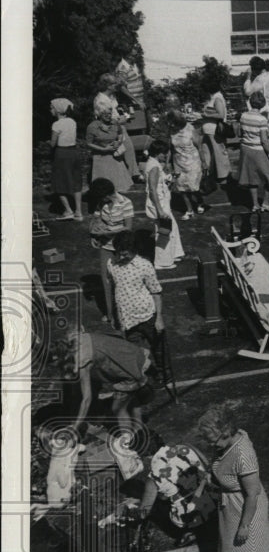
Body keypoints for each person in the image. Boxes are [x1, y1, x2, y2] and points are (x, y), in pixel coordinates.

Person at [197, 407, 269, 552]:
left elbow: (252, 494)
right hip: (232, 504)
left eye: (212, 439)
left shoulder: (243, 456)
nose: (209, 444)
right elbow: (220, 463)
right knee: (238, 545)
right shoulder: (226, 443)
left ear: (225, 432)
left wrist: (245, 525)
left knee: (248, 546)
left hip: (246, 506)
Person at [55, 328, 154, 436]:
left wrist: (75, 425)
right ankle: (138, 429)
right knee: (131, 399)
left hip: (127, 369)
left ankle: (128, 438)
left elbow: (87, 399)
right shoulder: (77, 339)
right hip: (129, 354)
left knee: (117, 408)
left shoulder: (82, 361)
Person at [106, 231, 165, 381]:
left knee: (158, 349)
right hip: (128, 320)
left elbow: (156, 292)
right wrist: (114, 315)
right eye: (118, 253)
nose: (121, 257)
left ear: (134, 250)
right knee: (136, 352)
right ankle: (145, 376)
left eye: (125, 254)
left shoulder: (144, 266)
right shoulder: (111, 264)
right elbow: (113, 289)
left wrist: (159, 318)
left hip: (147, 317)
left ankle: (164, 374)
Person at [139, 443, 216, 547]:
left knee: (158, 505)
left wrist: (136, 510)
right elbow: (207, 465)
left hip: (191, 515)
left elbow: (144, 511)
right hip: (212, 500)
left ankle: (188, 531)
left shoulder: (154, 476)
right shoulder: (186, 446)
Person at [142, 140, 184, 270]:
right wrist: (159, 210)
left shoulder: (154, 164)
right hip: (159, 204)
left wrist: (171, 178)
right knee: (164, 232)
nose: (166, 156)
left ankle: (174, 253)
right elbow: (152, 190)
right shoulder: (154, 167)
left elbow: (162, 183)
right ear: (158, 153)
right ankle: (162, 262)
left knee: (173, 228)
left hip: (163, 201)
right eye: (164, 153)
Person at [93, 72, 141, 182]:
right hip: (111, 130)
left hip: (119, 127)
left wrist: (122, 115)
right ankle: (126, 177)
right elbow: (106, 119)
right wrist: (121, 120)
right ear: (108, 86)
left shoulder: (111, 97)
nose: (117, 86)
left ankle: (133, 174)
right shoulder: (101, 100)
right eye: (114, 84)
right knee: (118, 153)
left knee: (129, 149)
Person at [238, 91, 269, 214]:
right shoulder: (262, 119)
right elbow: (265, 141)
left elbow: (240, 133)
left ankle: (255, 205)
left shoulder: (243, 116)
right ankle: (265, 203)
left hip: (246, 149)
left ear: (251, 103)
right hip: (258, 150)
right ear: (262, 104)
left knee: (252, 178)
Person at [166, 109, 206, 220]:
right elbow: (170, 149)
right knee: (182, 189)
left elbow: (199, 147)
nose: (171, 125)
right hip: (178, 164)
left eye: (173, 123)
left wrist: (204, 162)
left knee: (194, 188)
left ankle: (200, 202)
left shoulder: (190, 129)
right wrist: (167, 163)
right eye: (170, 123)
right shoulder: (171, 131)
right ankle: (189, 210)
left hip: (193, 163)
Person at [50, 98, 83, 220]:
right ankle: (78, 211)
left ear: (57, 110)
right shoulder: (72, 122)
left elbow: (53, 143)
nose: (50, 110)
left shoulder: (56, 124)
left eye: (52, 108)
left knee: (59, 182)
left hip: (62, 154)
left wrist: (50, 145)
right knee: (76, 180)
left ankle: (68, 210)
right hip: (74, 152)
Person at [86, 106, 134, 192]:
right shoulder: (92, 126)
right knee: (103, 188)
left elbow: (120, 134)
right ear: (99, 115)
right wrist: (103, 149)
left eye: (110, 114)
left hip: (114, 157)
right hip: (100, 158)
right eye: (105, 114)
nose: (108, 116)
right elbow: (89, 143)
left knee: (120, 187)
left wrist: (118, 142)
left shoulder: (114, 123)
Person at [200, 77, 232, 184]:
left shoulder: (217, 98)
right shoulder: (213, 97)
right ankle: (211, 175)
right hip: (208, 130)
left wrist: (206, 115)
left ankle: (224, 177)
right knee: (208, 153)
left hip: (215, 130)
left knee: (219, 154)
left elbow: (221, 114)